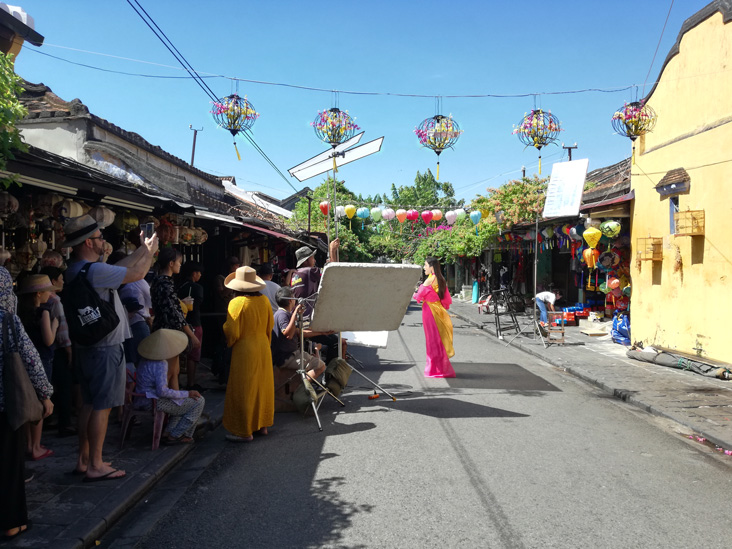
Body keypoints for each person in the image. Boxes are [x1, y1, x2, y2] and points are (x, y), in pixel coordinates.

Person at [63, 214, 157, 481]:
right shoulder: (95, 271)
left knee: (90, 404)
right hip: (106, 345)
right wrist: (150, 252)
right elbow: (137, 273)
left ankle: (84, 459)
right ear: (88, 243)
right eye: (99, 238)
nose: (103, 242)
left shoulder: (78, 270)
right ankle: (96, 463)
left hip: (87, 344)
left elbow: (123, 268)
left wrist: (141, 248)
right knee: (103, 406)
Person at [0, 267, 53, 541]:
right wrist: (45, 394)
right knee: (9, 463)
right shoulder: (8, 320)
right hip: (6, 403)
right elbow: (31, 360)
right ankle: (12, 521)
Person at [222, 266, 274, 442]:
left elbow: (232, 332)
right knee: (261, 386)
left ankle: (245, 431)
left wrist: (225, 331)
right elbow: (270, 326)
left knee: (244, 388)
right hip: (263, 347)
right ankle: (262, 425)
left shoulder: (236, 303)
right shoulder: (265, 301)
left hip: (245, 349)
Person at [134, 329, 205, 445]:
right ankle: (176, 435)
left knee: (182, 401)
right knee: (198, 401)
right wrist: (188, 393)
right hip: (152, 401)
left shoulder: (144, 360)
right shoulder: (160, 364)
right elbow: (162, 391)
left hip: (142, 399)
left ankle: (169, 432)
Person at [17, 275, 59, 461]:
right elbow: (48, 340)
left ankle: (28, 444)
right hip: (42, 360)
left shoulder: (19, 315)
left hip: (23, 363)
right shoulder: (44, 312)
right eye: (48, 291)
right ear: (39, 293)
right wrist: (55, 325)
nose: (50, 294)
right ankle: (36, 446)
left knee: (28, 403)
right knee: (41, 405)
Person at [150, 248, 200, 391]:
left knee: (174, 370)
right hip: (167, 333)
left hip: (163, 330)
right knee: (169, 371)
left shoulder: (160, 281)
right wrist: (191, 335)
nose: (180, 265)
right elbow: (175, 313)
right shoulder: (165, 283)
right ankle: (163, 406)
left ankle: (176, 404)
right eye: (179, 262)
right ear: (171, 263)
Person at [291, 239, 343, 363]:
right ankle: (330, 378)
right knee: (335, 341)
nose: (314, 260)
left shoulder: (296, 274)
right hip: (307, 320)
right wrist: (332, 250)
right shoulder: (310, 271)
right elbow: (333, 274)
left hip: (298, 318)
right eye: (313, 258)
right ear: (307, 260)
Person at [39, 266, 75, 437]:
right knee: (64, 385)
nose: (63, 281)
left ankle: (50, 419)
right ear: (53, 282)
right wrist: (69, 350)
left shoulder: (42, 300)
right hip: (57, 348)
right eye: (60, 278)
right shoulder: (55, 301)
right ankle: (64, 423)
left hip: (45, 349)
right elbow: (62, 328)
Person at [412, 257, 456, 378]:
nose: (424, 267)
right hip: (438, 311)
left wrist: (412, 292)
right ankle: (441, 368)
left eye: (425, 265)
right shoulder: (440, 278)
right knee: (438, 339)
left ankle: (434, 369)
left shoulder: (430, 279)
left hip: (430, 311)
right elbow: (446, 299)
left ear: (431, 267)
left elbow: (418, 295)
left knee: (432, 340)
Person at [271, 287, 326, 382]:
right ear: (290, 300)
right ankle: (300, 388)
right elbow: (288, 334)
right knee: (320, 366)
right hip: (286, 357)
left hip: (287, 355)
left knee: (313, 359)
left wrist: (322, 332)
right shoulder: (282, 315)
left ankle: (299, 385)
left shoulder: (282, 314)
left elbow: (300, 332)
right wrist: (295, 314)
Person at [212, 256, 240, 382]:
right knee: (223, 340)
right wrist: (233, 283)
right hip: (222, 312)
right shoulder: (220, 278)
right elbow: (221, 293)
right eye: (235, 265)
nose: (237, 267)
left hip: (233, 312)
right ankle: (220, 369)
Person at [177, 262, 204, 391]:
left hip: (180, 324)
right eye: (199, 273)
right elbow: (199, 302)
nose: (200, 275)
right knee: (193, 355)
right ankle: (191, 383)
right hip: (194, 322)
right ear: (194, 274)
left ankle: (175, 382)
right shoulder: (197, 288)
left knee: (179, 354)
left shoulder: (179, 287)